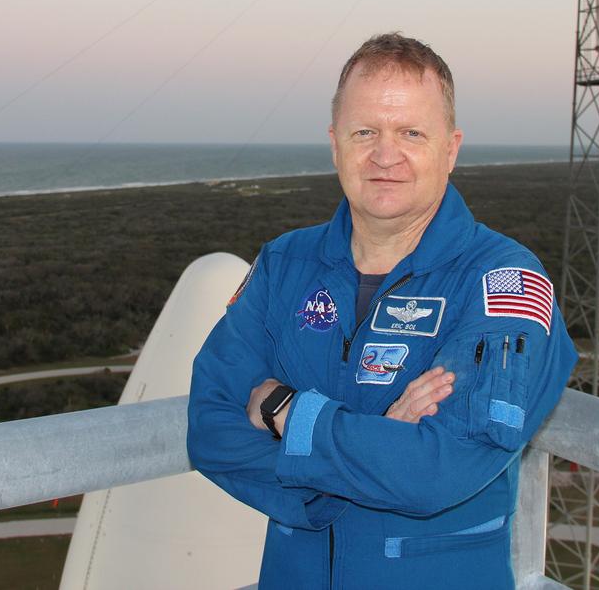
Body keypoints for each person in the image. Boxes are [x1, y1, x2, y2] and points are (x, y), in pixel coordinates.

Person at [188, 33, 577, 588]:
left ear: (451, 148)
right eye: (364, 131)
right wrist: (370, 451)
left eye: (411, 133)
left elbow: (437, 469)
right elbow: (210, 427)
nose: (385, 155)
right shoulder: (284, 264)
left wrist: (283, 410)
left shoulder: (503, 283)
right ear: (334, 143)